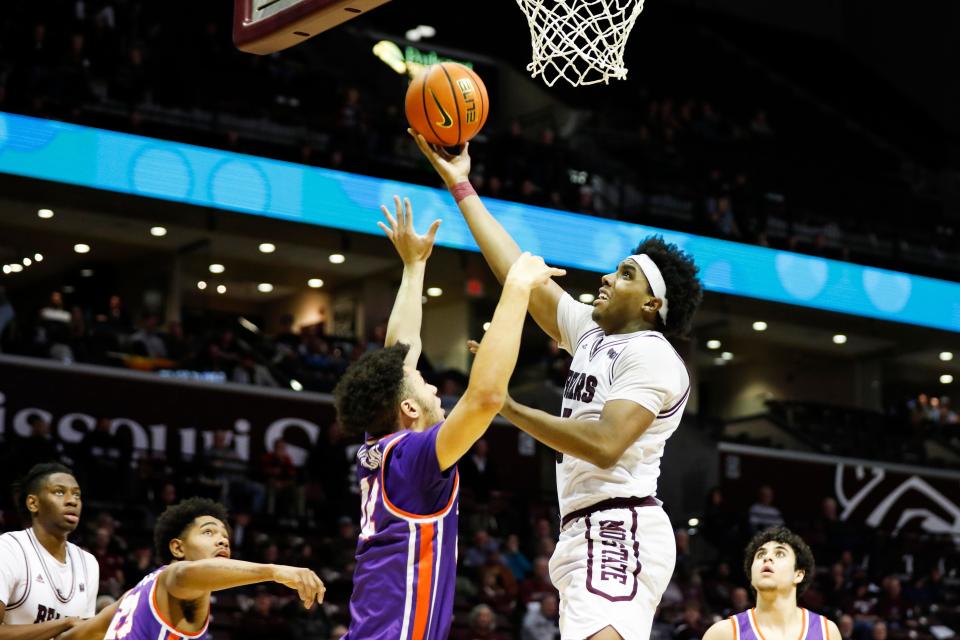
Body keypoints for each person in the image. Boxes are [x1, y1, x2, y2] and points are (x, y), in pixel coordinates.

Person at [412, 131, 703, 640]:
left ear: (651, 305)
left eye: (626, 275)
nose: (609, 279)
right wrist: (461, 187)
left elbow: (605, 445)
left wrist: (508, 406)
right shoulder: (592, 333)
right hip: (584, 525)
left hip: (619, 524)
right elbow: (519, 274)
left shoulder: (653, 357)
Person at [335, 196, 564, 640]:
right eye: (426, 386)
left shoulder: (380, 445)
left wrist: (414, 265)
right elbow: (484, 398)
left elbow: (400, 350)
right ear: (408, 409)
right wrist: (516, 289)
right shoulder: (414, 458)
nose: (436, 389)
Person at [60, 496, 324, 640]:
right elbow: (186, 574)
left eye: (225, 536)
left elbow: (76, 636)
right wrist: (274, 571)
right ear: (178, 548)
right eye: (208, 532)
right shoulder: (175, 576)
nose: (222, 540)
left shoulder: (131, 597)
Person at [0, 463, 99, 639]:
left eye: (77, 494)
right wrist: (64, 624)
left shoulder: (88, 563)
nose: (72, 500)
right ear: (33, 503)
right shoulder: (9, 549)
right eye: (59, 492)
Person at [702, 526, 841, 640]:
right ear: (752, 575)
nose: (767, 557)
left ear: (798, 574)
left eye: (779, 554)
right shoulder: (722, 634)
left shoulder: (827, 632)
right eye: (760, 555)